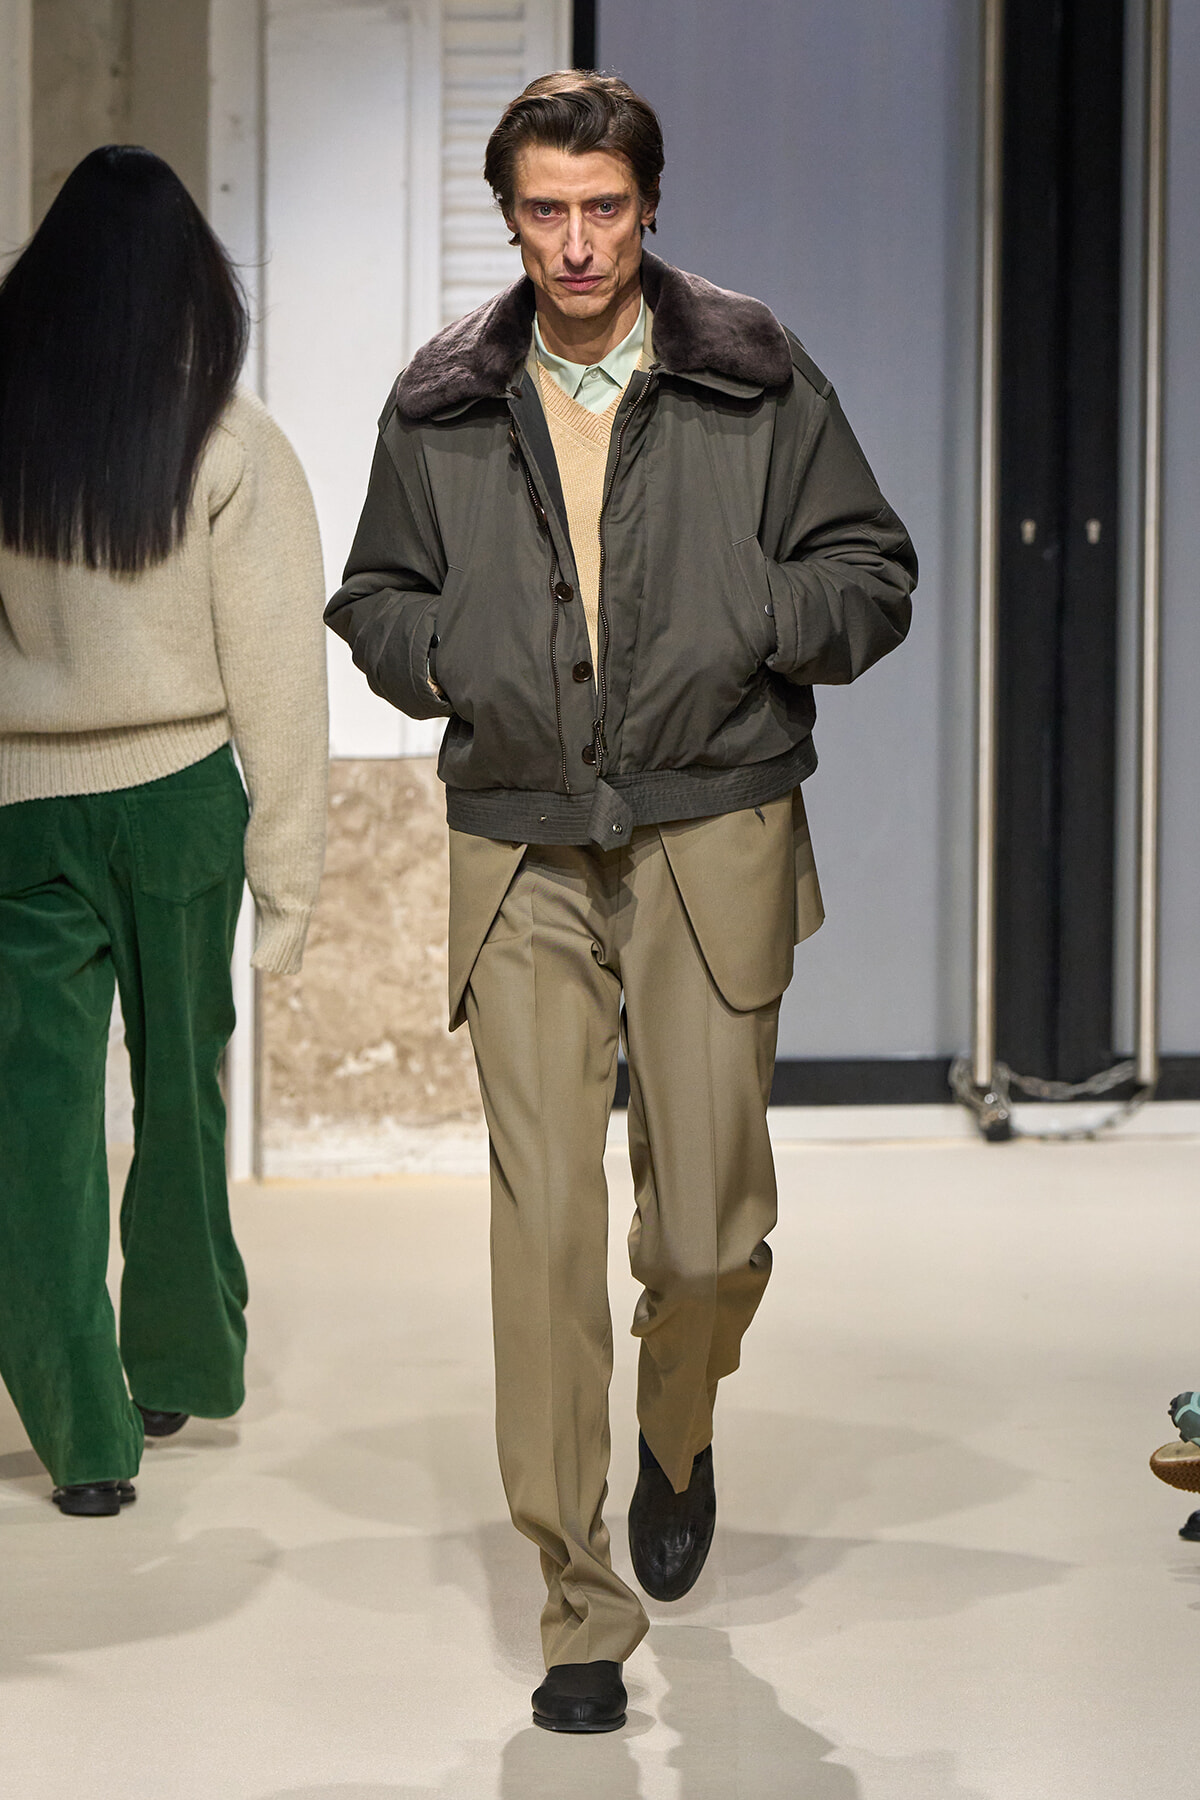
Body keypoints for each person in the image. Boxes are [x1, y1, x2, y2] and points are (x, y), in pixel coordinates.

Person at [326, 72, 915, 1731]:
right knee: (544, 1235)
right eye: (546, 211)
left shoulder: (752, 372)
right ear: (509, 217)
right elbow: (372, 597)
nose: (576, 243)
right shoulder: (445, 400)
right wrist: (456, 654)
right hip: (522, 847)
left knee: (709, 1235)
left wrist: (749, 614)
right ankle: (577, 1603)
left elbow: (873, 573)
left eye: (603, 209)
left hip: (713, 829)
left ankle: (677, 1425)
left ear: (649, 207)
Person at [0, 146, 328, 1517]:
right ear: (191, 281)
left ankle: (82, 1441)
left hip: (21, 815)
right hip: (182, 799)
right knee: (182, 1100)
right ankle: (179, 1362)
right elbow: (279, 677)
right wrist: (291, 883)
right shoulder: (229, 441)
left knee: (35, 1128)